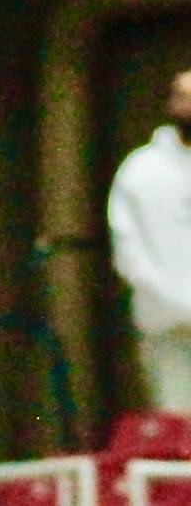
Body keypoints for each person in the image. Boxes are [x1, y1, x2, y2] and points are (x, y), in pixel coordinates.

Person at [109, 69, 191, 411]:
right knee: (178, 424)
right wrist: (177, 302)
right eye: (184, 97)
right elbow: (129, 253)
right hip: (166, 324)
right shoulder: (140, 170)